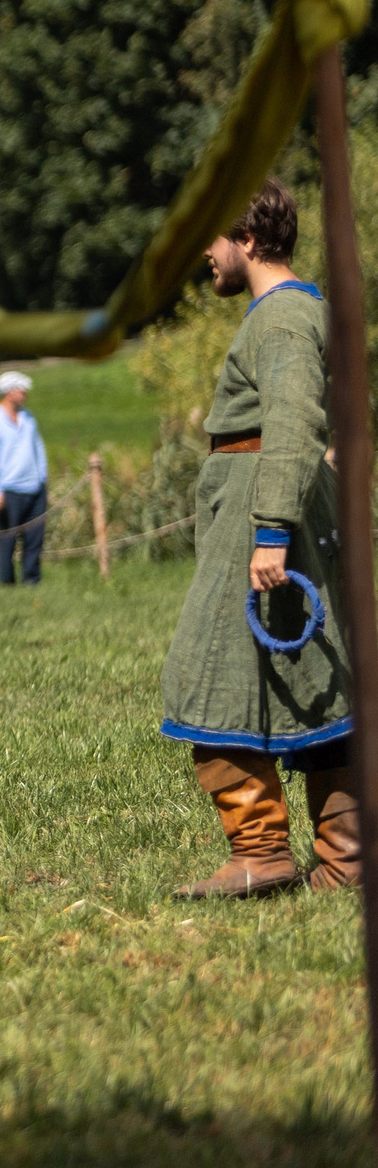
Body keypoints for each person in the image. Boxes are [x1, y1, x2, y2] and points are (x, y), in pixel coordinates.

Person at [161, 182, 357, 898]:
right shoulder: (298, 312)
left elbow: (295, 420)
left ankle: (262, 854)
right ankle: (346, 862)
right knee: (310, 679)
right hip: (271, 504)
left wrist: (271, 531)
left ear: (246, 238)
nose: (205, 257)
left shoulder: (280, 318)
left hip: (265, 514)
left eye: (212, 241)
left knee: (205, 673)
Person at [0, 372, 49, 586]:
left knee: (34, 539)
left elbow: (38, 447)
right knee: (7, 540)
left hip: (34, 487)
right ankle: (6, 583)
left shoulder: (28, 417)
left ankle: (32, 580)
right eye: (21, 390)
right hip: (8, 490)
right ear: (9, 392)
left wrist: (43, 478)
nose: (25, 393)